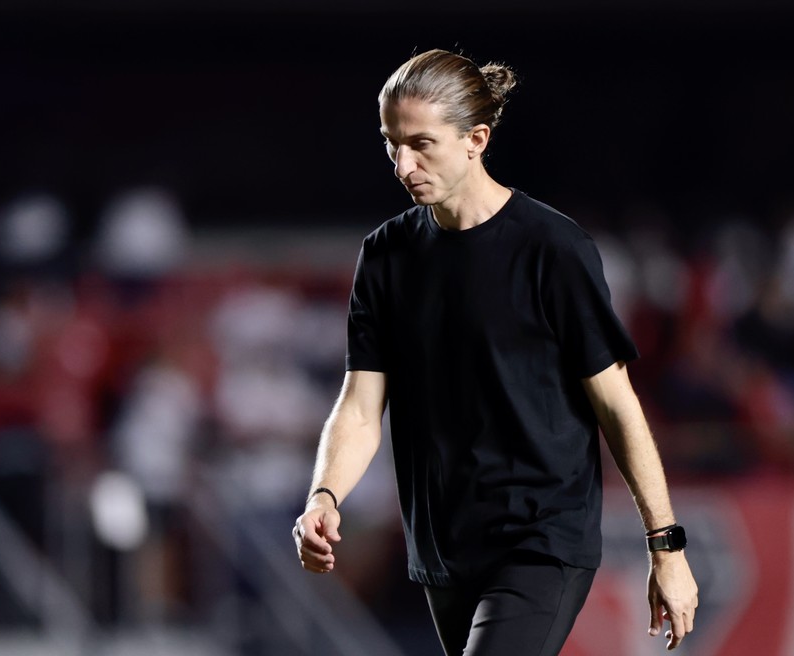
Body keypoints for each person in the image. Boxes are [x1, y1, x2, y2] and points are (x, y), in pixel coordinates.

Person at [293, 48, 698, 655]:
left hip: (541, 540)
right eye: (391, 142)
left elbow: (617, 404)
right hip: (444, 547)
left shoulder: (553, 249)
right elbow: (359, 406)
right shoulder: (385, 257)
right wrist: (323, 494)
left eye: (421, 143)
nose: (402, 164)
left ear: (476, 138)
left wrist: (665, 546)